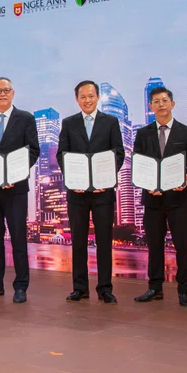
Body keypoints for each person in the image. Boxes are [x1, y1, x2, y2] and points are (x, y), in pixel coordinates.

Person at [57, 80, 125, 303]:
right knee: (78, 241)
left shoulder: (111, 122)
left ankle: (105, 288)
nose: (87, 100)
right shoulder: (68, 123)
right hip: (76, 194)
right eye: (83, 96)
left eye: (91, 95)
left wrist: (105, 177)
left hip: (103, 192)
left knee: (104, 240)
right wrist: (72, 177)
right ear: (77, 99)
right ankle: (80, 288)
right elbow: (61, 155)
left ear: (97, 97)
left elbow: (119, 154)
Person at [133, 86, 187, 307]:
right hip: (152, 200)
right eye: (156, 101)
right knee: (154, 246)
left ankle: (184, 291)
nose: (161, 104)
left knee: (182, 245)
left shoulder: (186, 132)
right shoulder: (142, 134)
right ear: (150, 107)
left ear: (172, 104)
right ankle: (155, 288)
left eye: (164, 100)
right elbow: (138, 165)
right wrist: (145, 184)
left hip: (178, 200)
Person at [0, 77, 40, 303]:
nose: (2, 94)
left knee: (18, 238)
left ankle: (21, 286)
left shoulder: (25, 119)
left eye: (6, 90)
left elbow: (33, 151)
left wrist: (16, 174)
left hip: (16, 189)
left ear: (13, 93)